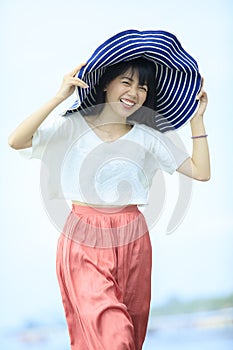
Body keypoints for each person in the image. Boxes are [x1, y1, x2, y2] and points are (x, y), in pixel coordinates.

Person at [8, 34, 210, 350]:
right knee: (114, 336)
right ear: (106, 84)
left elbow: (200, 172)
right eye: (126, 82)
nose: (134, 93)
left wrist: (197, 121)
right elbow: (16, 140)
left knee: (129, 337)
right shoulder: (72, 126)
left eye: (142, 87)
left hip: (133, 239)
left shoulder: (148, 135)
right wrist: (60, 96)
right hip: (83, 236)